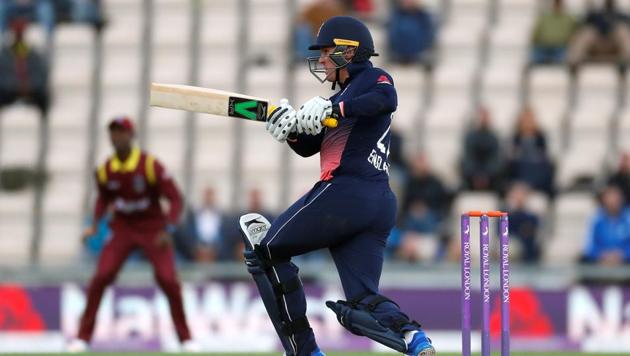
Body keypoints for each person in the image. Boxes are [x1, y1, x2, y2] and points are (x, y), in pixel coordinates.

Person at [239, 16, 435, 356]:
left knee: (265, 253)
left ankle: (304, 350)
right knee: (363, 300)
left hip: (348, 191)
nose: (323, 59)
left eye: (328, 52)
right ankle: (413, 338)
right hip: (375, 203)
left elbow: (387, 99)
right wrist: (289, 128)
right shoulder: (340, 98)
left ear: (349, 52)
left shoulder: (373, 78)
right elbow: (307, 146)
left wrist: (333, 107)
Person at [66, 117, 198, 352]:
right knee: (101, 276)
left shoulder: (149, 165)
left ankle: (186, 339)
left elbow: (176, 198)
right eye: (113, 133)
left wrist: (168, 228)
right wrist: (94, 225)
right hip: (123, 229)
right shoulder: (106, 169)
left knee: (168, 280)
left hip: (153, 229)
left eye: (121, 132)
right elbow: (103, 199)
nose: (116, 137)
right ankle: (82, 338)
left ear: (131, 135)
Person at [567, 0, 630, 74]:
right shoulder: (595, 15)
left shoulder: (621, 15)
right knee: (587, 31)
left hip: (614, 46)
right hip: (597, 45)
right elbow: (582, 25)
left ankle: (625, 61)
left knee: (622, 30)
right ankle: (574, 61)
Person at [582, 185, 630, 265]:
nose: (613, 202)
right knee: (583, 260)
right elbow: (588, 246)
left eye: (616, 198)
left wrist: (622, 254)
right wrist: (601, 255)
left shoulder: (628, 217)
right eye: (610, 198)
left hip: (625, 260)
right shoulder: (595, 218)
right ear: (604, 200)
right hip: (600, 260)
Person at [460, 106, 503, 192]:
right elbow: (469, 158)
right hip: (471, 179)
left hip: (491, 179)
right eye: (481, 117)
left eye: (485, 117)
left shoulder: (494, 138)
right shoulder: (470, 137)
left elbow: (495, 159)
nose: (483, 119)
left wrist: (486, 176)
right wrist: (476, 176)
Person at [529, 0, 577, 65]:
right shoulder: (544, 18)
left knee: (564, 56)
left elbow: (576, 33)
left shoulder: (569, 19)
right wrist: (535, 42)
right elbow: (535, 34)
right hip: (544, 46)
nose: (557, 7)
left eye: (559, 5)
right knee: (535, 54)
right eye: (556, 4)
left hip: (560, 47)